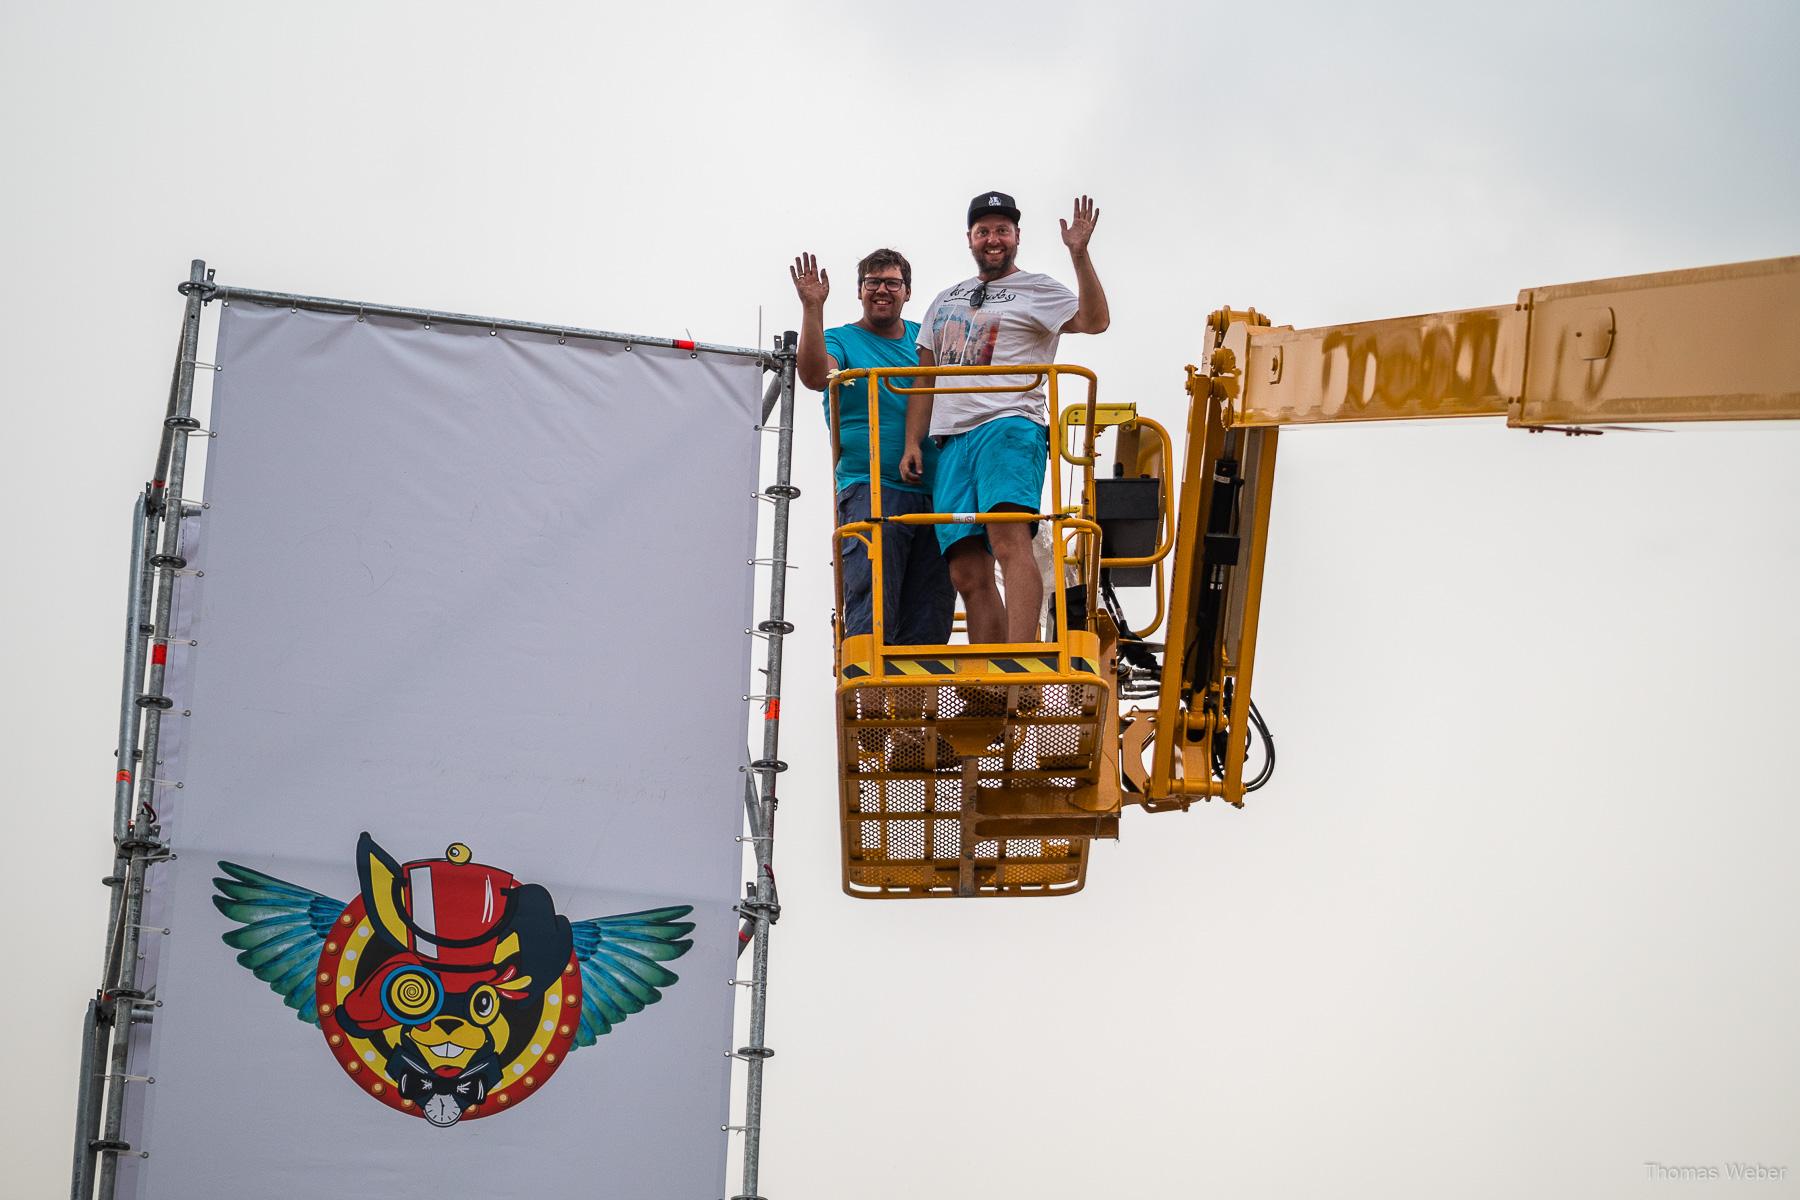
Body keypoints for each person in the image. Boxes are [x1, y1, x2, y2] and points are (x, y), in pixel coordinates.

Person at [899, 192, 1109, 645]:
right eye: (983, 231)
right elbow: (923, 377)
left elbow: (1094, 321)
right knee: (965, 568)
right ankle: (991, 675)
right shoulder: (944, 299)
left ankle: (1018, 661)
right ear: (970, 239)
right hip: (952, 440)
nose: (992, 238)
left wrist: (1079, 254)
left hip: (1009, 422)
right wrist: (913, 441)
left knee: (1008, 537)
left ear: (1016, 237)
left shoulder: (1038, 288)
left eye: (1001, 230)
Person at [791, 247, 954, 644]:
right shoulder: (841, 340)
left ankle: (921, 703)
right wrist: (813, 308)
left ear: (908, 292)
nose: (882, 290)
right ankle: (870, 697)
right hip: (871, 488)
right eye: (873, 283)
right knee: (874, 608)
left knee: (930, 613)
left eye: (892, 283)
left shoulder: (925, 339)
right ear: (860, 291)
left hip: (938, 491)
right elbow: (815, 376)